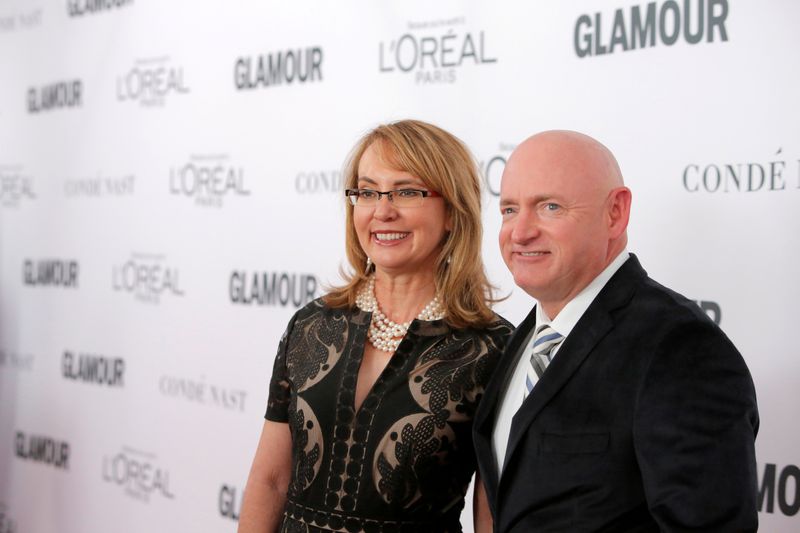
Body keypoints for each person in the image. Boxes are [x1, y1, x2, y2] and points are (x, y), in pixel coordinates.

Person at [473, 130, 759, 532]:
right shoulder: (523, 339)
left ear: (615, 213)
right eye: (508, 210)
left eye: (550, 207)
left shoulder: (681, 348)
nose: (520, 232)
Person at [239, 119, 513, 533]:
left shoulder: (493, 348)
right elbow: (271, 480)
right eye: (367, 192)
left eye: (407, 191)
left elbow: (490, 514)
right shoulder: (311, 325)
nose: (383, 210)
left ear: (453, 213)